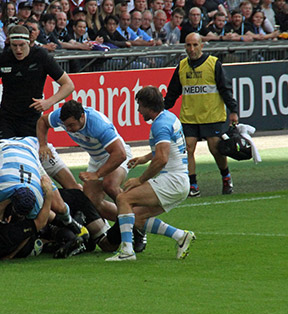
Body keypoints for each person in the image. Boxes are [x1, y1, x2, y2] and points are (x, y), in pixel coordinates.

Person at [105, 86, 194, 261]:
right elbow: (168, 149)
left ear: (147, 106)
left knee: (123, 198)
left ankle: (127, 252)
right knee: (137, 217)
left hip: (172, 180)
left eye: (139, 106)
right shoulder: (169, 117)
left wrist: (140, 179)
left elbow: (162, 158)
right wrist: (145, 158)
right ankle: (180, 236)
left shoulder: (160, 125)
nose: (138, 110)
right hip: (180, 181)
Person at [164, 33, 239, 197]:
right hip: (189, 117)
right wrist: (161, 108)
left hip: (211, 115)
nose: (191, 49)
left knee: (215, 149)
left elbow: (225, 89)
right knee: (188, 148)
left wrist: (233, 110)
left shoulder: (213, 64)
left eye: (195, 45)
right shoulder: (182, 66)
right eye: (188, 45)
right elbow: (173, 92)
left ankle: (226, 177)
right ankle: (193, 185)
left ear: (202, 45)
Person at [37, 99, 132, 222]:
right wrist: (43, 145)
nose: (68, 129)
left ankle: (137, 227)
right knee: (91, 204)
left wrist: (97, 174)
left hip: (114, 155)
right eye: (66, 126)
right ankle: (133, 222)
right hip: (96, 159)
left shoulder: (98, 125)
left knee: (110, 185)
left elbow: (120, 154)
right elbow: (43, 121)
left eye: (71, 125)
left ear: (82, 116)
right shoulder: (60, 116)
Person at [0, 25, 74, 141]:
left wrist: (49, 102)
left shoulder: (41, 57)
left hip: (32, 118)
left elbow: (68, 85)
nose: (18, 50)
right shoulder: (1, 60)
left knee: (31, 155)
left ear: (29, 42)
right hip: (6, 117)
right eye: (14, 46)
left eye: (22, 45)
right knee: (0, 151)